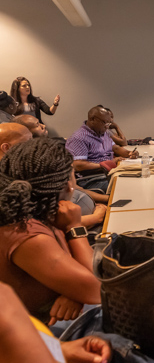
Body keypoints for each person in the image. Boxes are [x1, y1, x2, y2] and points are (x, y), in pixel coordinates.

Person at [0, 137, 101, 325]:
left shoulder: (30, 212)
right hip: (40, 332)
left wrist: (72, 292)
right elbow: (96, 291)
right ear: (68, 185)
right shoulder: (25, 232)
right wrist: (74, 227)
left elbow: (77, 276)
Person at [64, 106, 138, 193]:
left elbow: (115, 148)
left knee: (137, 178)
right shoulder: (79, 137)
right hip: (92, 180)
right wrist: (105, 165)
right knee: (128, 187)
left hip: (108, 173)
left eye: (109, 124)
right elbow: (77, 165)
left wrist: (129, 153)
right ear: (92, 119)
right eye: (104, 123)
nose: (107, 127)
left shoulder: (103, 133)